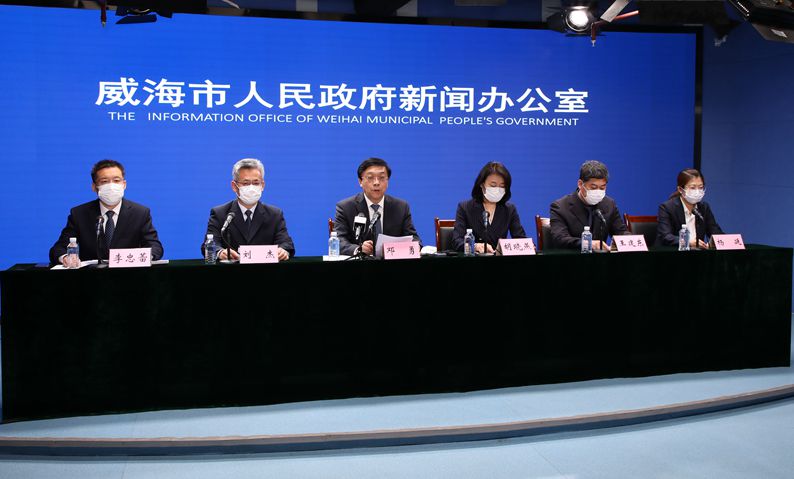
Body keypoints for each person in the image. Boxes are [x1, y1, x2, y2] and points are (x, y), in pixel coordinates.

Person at [49, 159, 163, 266]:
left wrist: (146, 257)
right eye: (104, 181)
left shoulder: (140, 213)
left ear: (124, 184)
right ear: (94, 187)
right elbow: (58, 249)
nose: (111, 186)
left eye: (116, 180)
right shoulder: (79, 214)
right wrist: (65, 258)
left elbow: (155, 247)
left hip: (129, 275)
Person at [203, 158, 294, 261]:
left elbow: (286, 243)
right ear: (234, 186)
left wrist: (283, 250)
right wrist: (220, 252)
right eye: (245, 183)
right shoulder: (220, 213)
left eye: (256, 183)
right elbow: (209, 244)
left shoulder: (274, 214)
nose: (251, 188)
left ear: (262, 185)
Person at [334, 157, 421, 256]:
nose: (376, 183)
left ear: (387, 181)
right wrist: (359, 249)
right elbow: (338, 241)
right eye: (370, 178)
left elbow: (413, 238)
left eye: (382, 178)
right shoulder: (346, 207)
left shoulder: (401, 207)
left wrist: (416, 246)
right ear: (360, 181)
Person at [549, 160, 627, 250]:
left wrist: (629, 240)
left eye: (602, 187)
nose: (598, 192)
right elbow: (560, 239)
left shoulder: (609, 204)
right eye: (593, 187)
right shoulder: (560, 207)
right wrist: (588, 244)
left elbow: (621, 232)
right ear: (580, 184)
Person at [451, 162, 527, 253]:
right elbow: (456, 241)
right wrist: (475, 246)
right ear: (482, 184)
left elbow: (520, 239)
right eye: (493, 185)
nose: (497, 190)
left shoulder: (510, 209)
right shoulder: (465, 208)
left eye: (502, 186)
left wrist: (529, 246)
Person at [656, 168, 723, 248]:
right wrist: (688, 242)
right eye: (692, 188)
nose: (697, 191)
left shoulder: (704, 208)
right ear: (680, 189)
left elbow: (715, 232)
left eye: (700, 187)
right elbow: (665, 237)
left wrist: (714, 243)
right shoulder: (667, 208)